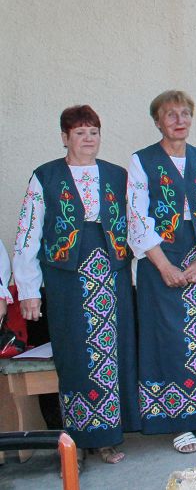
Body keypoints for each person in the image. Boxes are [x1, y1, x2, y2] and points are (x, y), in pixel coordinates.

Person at [12, 105, 140, 463]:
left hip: (112, 275)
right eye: (80, 132)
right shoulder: (46, 176)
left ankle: (108, 437)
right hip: (66, 278)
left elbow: (136, 224)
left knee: (112, 354)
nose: (88, 139)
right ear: (65, 137)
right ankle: (80, 439)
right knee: (75, 356)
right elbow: (28, 233)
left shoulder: (117, 175)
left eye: (93, 132)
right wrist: (29, 290)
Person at [127, 90, 196, 454]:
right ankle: (178, 422)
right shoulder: (142, 161)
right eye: (170, 114)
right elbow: (137, 217)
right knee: (169, 338)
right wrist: (164, 266)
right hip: (160, 256)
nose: (179, 120)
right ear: (157, 121)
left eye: (185, 113)